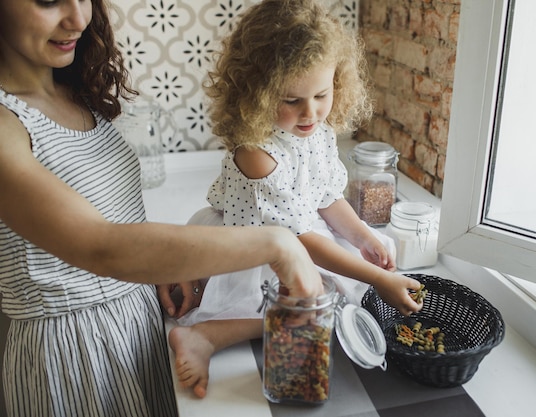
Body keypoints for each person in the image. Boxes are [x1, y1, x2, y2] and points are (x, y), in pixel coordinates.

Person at [0, 0, 324, 416]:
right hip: (75, 356)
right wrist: (281, 245)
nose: (79, 19)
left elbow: (110, 216)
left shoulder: (73, 91)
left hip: (136, 325)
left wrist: (162, 265)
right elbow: (101, 246)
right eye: (48, 0)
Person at [168, 0, 424, 400]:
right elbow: (296, 241)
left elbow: (325, 199)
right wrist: (375, 277)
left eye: (322, 95)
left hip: (299, 234)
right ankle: (206, 336)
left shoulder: (315, 132)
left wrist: (362, 238)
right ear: (256, 93)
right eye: (292, 101)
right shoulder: (258, 153)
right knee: (308, 299)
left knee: (343, 279)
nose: (311, 113)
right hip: (250, 248)